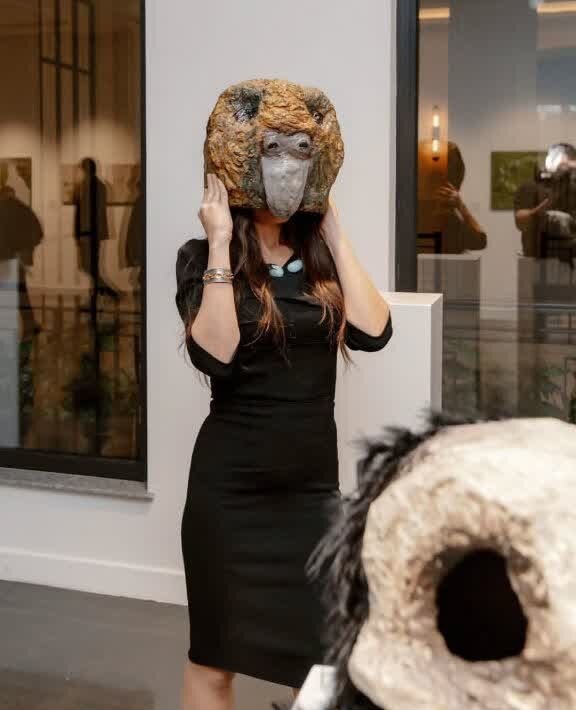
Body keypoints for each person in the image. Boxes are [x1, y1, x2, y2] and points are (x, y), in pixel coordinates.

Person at [175, 173, 392, 710]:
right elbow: (216, 355)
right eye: (273, 155)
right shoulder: (200, 255)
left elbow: (374, 332)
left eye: (300, 157)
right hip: (229, 497)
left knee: (319, 666)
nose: (287, 173)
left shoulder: (320, 256)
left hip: (309, 495)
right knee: (213, 659)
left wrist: (335, 234)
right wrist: (220, 242)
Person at [514, 143, 576, 258]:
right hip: (537, 255)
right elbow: (521, 223)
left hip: (571, 254)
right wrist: (538, 212)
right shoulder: (530, 187)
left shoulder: (572, 188)